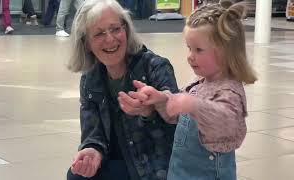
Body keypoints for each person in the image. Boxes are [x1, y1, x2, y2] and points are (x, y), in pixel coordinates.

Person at [120, 2, 257, 180]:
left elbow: (227, 125)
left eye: (199, 50)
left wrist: (193, 105)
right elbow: (176, 116)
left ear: (226, 52)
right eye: (189, 48)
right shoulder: (199, 83)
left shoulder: (230, 92)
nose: (190, 56)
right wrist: (162, 99)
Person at [66, 0, 178, 179]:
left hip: (153, 166)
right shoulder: (90, 79)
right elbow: (92, 133)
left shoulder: (155, 66)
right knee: (77, 175)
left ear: (126, 29)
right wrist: (92, 151)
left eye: (115, 29)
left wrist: (159, 106)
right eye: (99, 33)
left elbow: (177, 117)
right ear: (86, 43)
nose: (110, 39)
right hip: (117, 162)